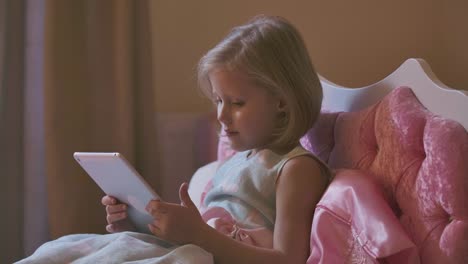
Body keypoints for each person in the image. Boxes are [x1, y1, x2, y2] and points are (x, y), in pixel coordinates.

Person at [102, 15, 330, 264]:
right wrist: (136, 223)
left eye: (237, 103)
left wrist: (200, 234)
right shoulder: (237, 161)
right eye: (218, 100)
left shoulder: (296, 168)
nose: (221, 115)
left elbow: (289, 260)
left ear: (282, 102)